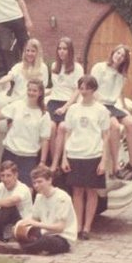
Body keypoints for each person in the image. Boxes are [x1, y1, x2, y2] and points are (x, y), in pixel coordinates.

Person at [59, 75, 111, 240]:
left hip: (93, 154)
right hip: (75, 154)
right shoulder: (73, 109)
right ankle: (77, 226)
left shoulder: (101, 110)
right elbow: (67, 133)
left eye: (87, 88)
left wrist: (104, 160)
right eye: (81, 88)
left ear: (93, 90)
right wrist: (64, 158)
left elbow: (106, 136)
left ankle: (87, 227)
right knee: (77, 191)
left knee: (91, 192)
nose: (84, 91)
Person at [0, 164, 78, 255]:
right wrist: (20, 225)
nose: (36, 185)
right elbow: (34, 219)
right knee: (27, 233)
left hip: (63, 237)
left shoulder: (62, 198)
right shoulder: (39, 197)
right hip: (45, 233)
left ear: (49, 180)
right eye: (34, 183)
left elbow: (60, 228)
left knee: (46, 241)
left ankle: (19, 248)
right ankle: (24, 246)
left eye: (40, 182)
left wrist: (36, 224)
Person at [90, 44, 132, 177]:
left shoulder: (121, 75)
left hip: (112, 106)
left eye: (122, 55)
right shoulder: (100, 67)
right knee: (115, 127)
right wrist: (102, 106)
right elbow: (92, 89)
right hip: (99, 104)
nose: (119, 56)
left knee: (131, 124)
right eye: (118, 53)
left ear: (125, 60)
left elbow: (120, 93)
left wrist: (125, 107)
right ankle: (115, 166)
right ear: (113, 53)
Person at [0, 78, 52, 185]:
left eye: (34, 91)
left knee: (27, 191)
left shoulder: (44, 114)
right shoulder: (17, 105)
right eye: (29, 90)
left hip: (29, 157)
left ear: (40, 93)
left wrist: (42, 162)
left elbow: (45, 140)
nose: (31, 93)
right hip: (10, 153)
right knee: (6, 188)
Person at [47, 37, 84, 171]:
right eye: (59, 49)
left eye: (65, 49)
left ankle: (56, 163)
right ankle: (52, 161)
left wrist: (65, 107)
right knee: (50, 126)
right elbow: (56, 87)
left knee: (62, 127)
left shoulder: (77, 68)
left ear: (70, 51)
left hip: (69, 103)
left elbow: (77, 90)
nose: (61, 52)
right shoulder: (54, 66)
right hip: (53, 101)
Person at [0, 38, 48, 103]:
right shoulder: (18, 66)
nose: (29, 53)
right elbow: (10, 76)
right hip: (17, 101)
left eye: (33, 51)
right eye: (27, 50)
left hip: (34, 103)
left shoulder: (43, 68)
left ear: (38, 52)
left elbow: (42, 88)